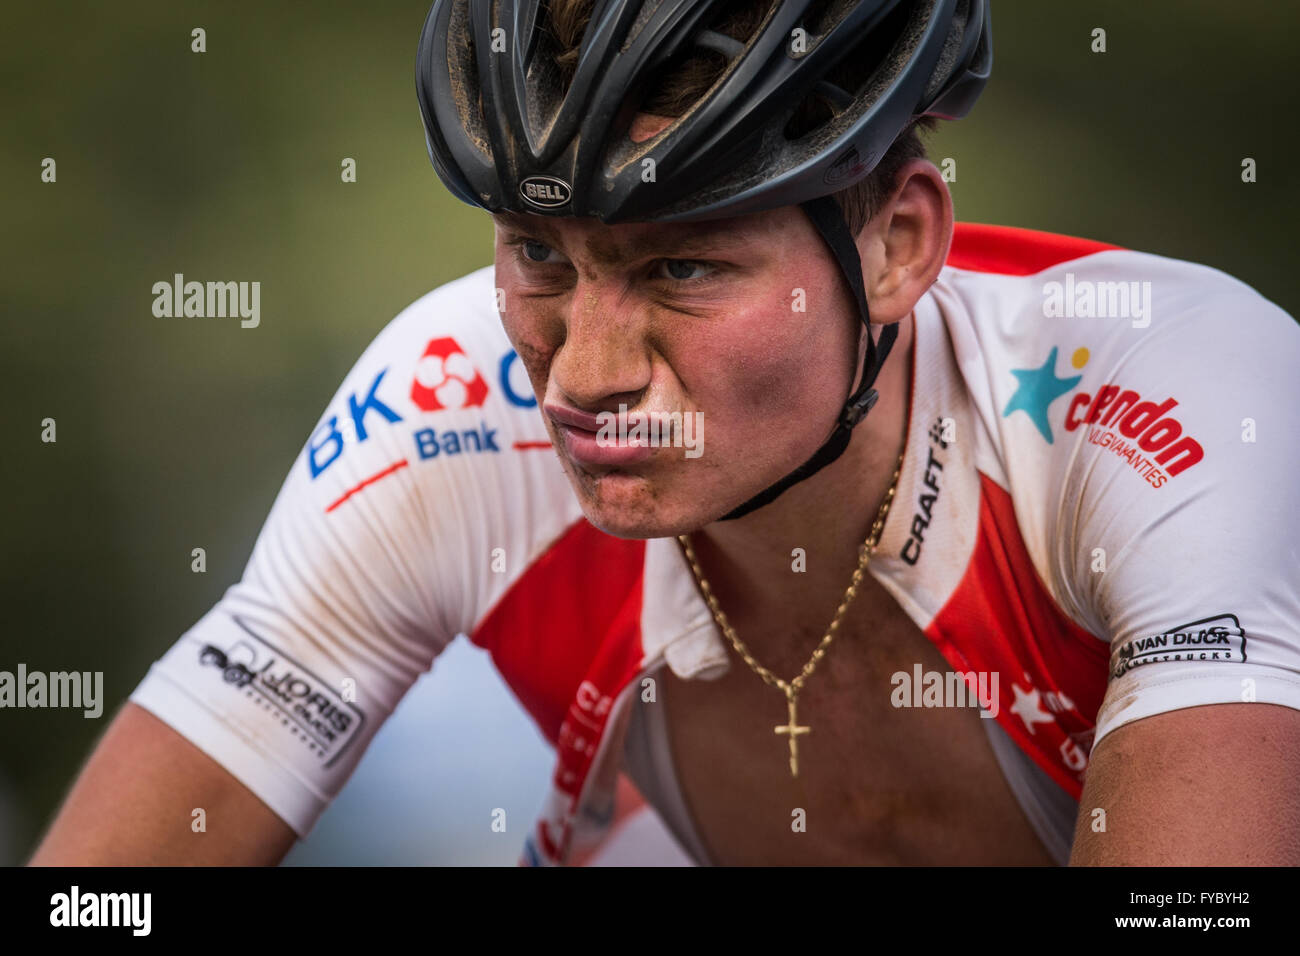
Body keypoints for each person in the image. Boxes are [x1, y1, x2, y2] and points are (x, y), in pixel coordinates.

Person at [31, 0, 1300, 867]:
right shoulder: (449, 399)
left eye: (681, 267)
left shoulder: (1167, 392)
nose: (581, 376)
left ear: (898, 244)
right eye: (540, 254)